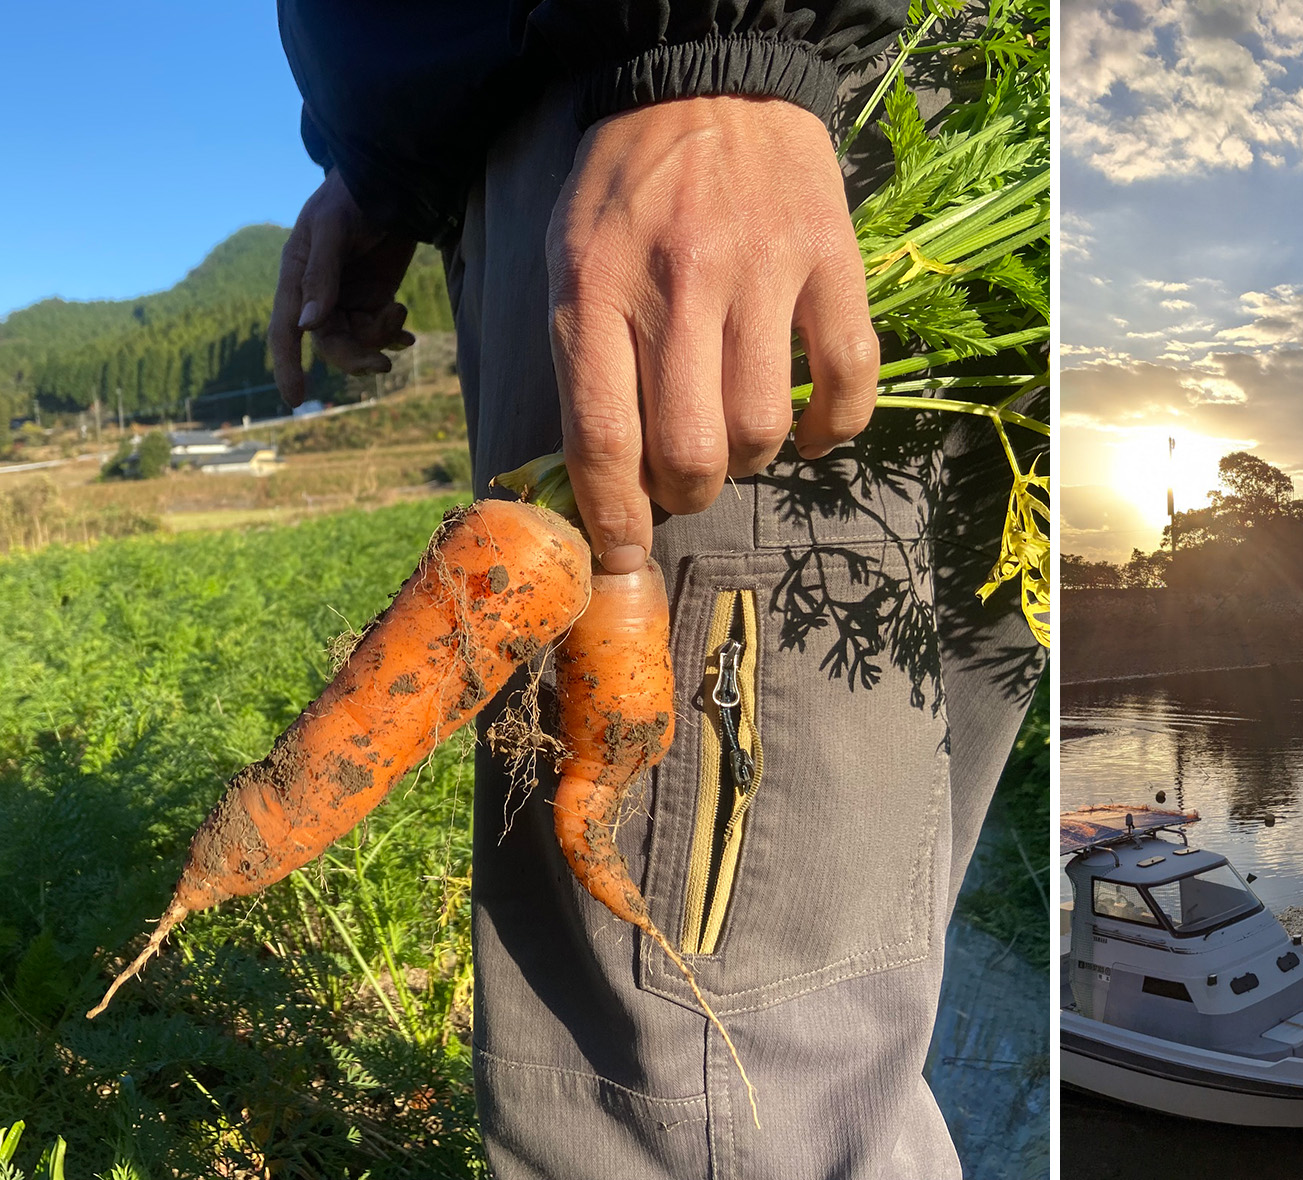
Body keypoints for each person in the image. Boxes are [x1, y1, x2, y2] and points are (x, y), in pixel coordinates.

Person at [268, 4, 1042, 1176]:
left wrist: (715, 45)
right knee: (832, 995)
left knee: (700, 1085)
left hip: (698, 105)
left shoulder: (700, 60)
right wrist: (389, 149)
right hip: (702, 80)